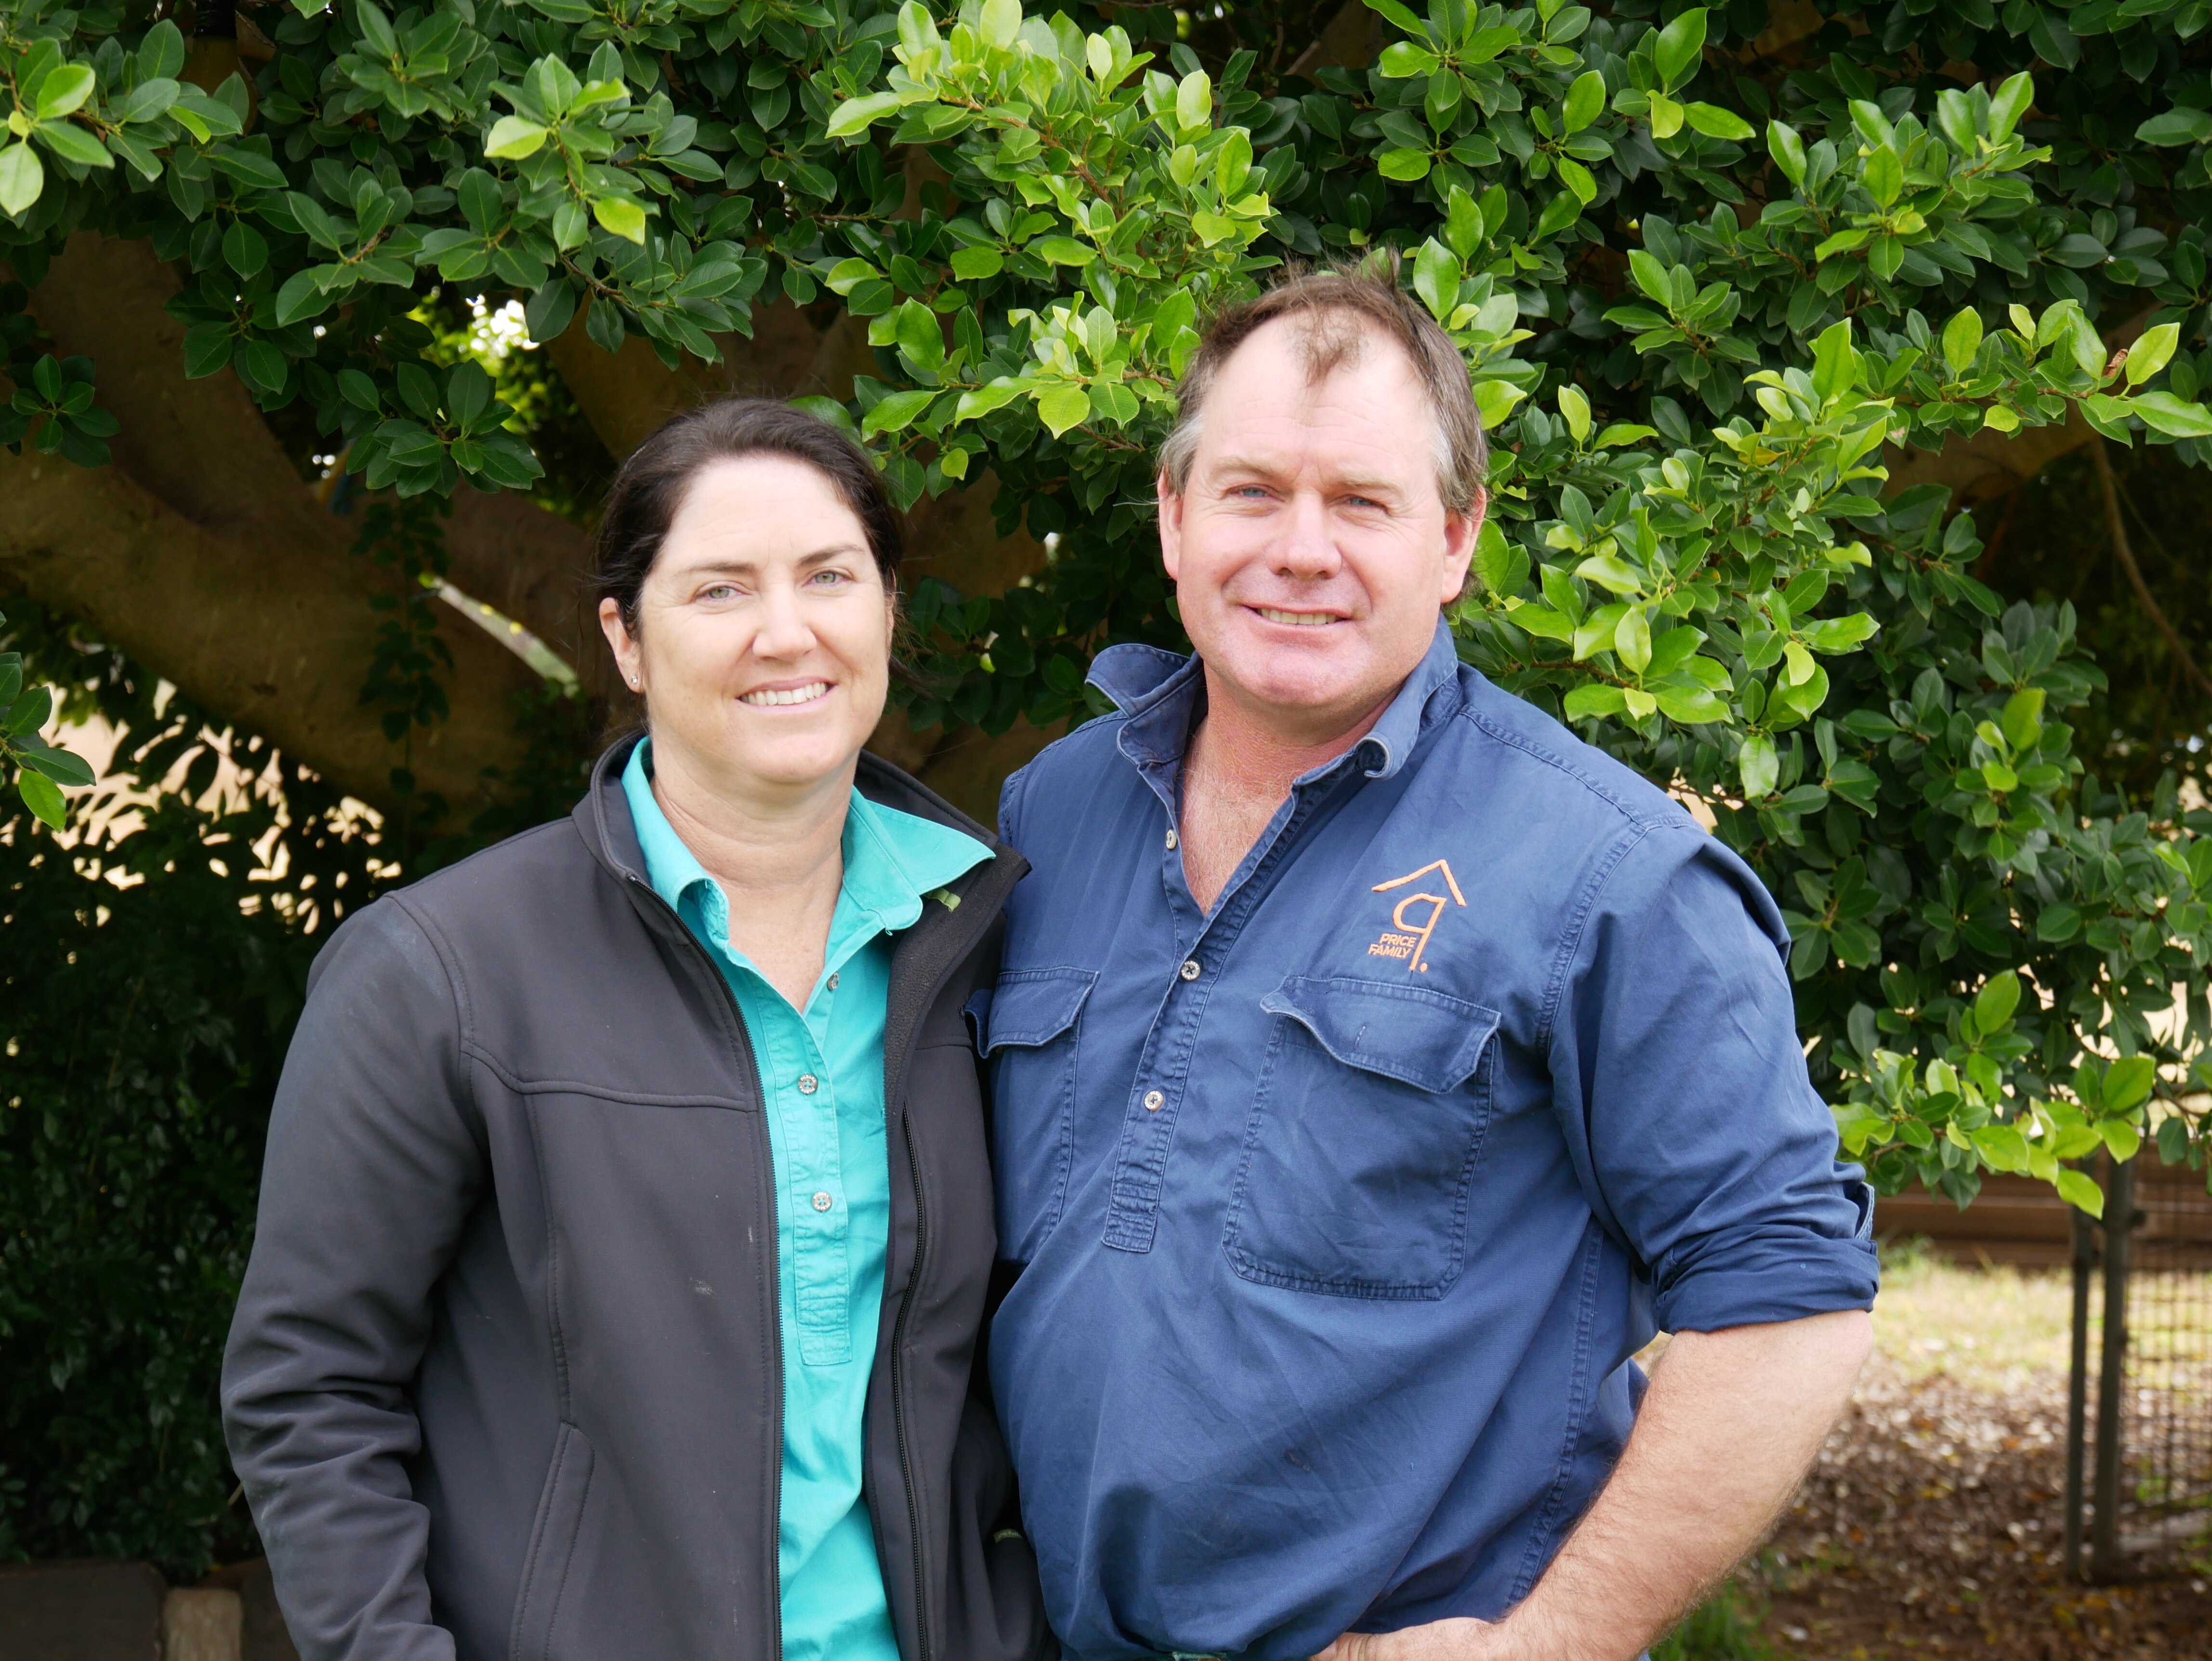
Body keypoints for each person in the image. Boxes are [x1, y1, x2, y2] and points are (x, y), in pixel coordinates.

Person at [972, 265, 1880, 1661]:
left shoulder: (1605, 874)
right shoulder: (1054, 813)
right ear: (1173, 517)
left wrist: (1547, 1647)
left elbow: (1789, 1293)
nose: (1301, 550)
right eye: (1252, 491)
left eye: (1362, 502)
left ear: (1455, 541)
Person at [223, 399, 1053, 1661]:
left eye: (831, 576)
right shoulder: (440, 973)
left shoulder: (997, 945)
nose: (788, 632)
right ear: (626, 638)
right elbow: (310, 1394)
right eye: (721, 590)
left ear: (889, 608)